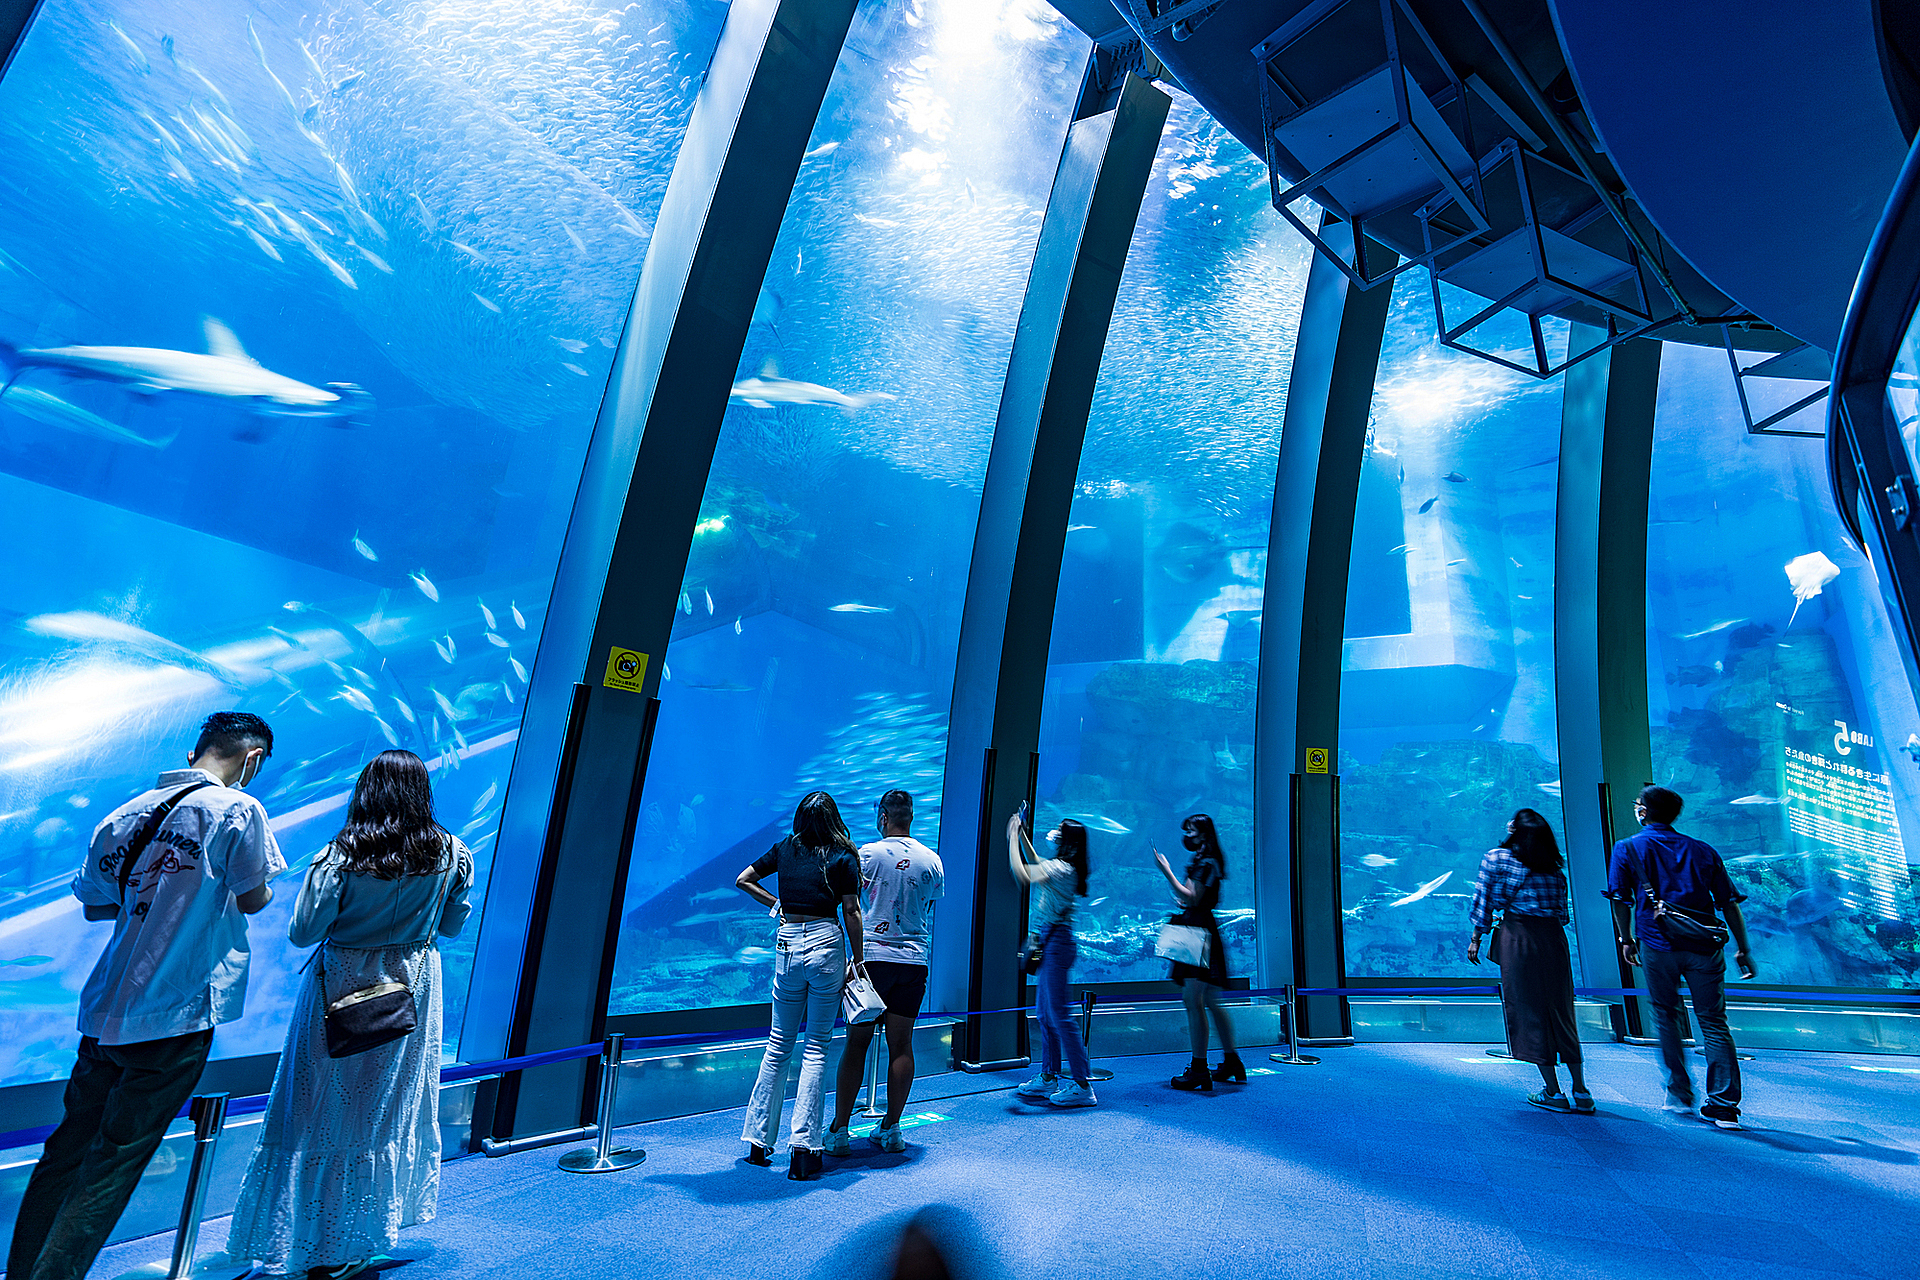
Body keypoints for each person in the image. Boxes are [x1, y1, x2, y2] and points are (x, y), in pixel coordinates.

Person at [9, 712, 283, 1280]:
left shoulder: (122, 814)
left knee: (65, 1154)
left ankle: (21, 1272)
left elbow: (94, 904)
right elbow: (254, 898)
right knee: (114, 1163)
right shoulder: (236, 810)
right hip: (175, 1010)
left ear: (194, 753)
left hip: (106, 1010)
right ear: (252, 759)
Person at [227, 750, 473, 1280]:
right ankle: (363, 1233)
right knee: (387, 1108)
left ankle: (318, 1240)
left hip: (342, 987)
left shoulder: (341, 855)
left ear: (365, 791)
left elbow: (303, 932)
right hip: (412, 986)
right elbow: (451, 926)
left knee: (319, 1107)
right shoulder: (454, 852)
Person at [1608, 785, 1757, 1130]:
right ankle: (1724, 1105)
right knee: (1714, 1022)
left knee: (1666, 1016)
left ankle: (1679, 1092)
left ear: (1643, 811)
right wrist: (1743, 948)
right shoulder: (1703, 850)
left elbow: (1619, 897)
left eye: (1636, 804)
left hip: (1658, 945)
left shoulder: (1628, 847)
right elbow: (1728, 902)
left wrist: (1626, 938)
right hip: (1705, 947)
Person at [736, 791, 865, 1180]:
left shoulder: (785, 849)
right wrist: (858, 960)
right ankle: (804, 1151)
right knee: (816, 1047)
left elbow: (744, 879)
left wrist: (777, 905)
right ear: (833, 819)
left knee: (778, 1044)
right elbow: (852, 910)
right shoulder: (843, 856)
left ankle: (758, 1143)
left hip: (787, 942)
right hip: (826, 945)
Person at [826, 789, 943, 1155]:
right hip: (913, 962)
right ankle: (891, 1128)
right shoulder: (932, 860)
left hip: (871, 960)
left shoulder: (867, 854)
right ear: (910, 817)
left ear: (882, 818)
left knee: (856, 1043)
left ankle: (840, 1130)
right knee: (901, 1045)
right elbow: (930, 905)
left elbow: (849, 904)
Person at [1467, 809, 1591, 1113]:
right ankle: (1582, 1091)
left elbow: (1483, 901)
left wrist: (1476, 938)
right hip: (1553, 941)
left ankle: (1553, 1092)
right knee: (1562, 1010)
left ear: (1515, 830)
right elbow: (1562, 914)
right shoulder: (1554, 866)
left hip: (1519, 937)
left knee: (1528, 1009)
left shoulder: (1496, 858)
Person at [1005, 812, 1096, 1108]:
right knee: (1045, 1014)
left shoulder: (1062, 869)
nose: (1054, 832)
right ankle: (1048, 1076)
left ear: (1068, 842)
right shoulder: (1063, 867)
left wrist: (1010, 841)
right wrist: (1022, 837)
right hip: (1051, 939)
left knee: (1060, 1016)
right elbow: (1036, 862)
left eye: (1059, 830)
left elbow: (1024, 874)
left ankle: (1083, 1084)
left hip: (1057, 943)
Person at [1154, 813, 1244, 1091]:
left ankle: (1199, 1069)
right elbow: (1192, 896)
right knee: (1211, 1000)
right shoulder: (1206, 861)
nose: (1188, 836)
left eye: (1191, 831)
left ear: (1204, 834)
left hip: (1196, 930)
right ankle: (1231, 1061)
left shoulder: (1206, 862)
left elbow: (1194, 897)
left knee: (1192, 1000)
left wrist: (1166, 870)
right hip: (1198, 926)